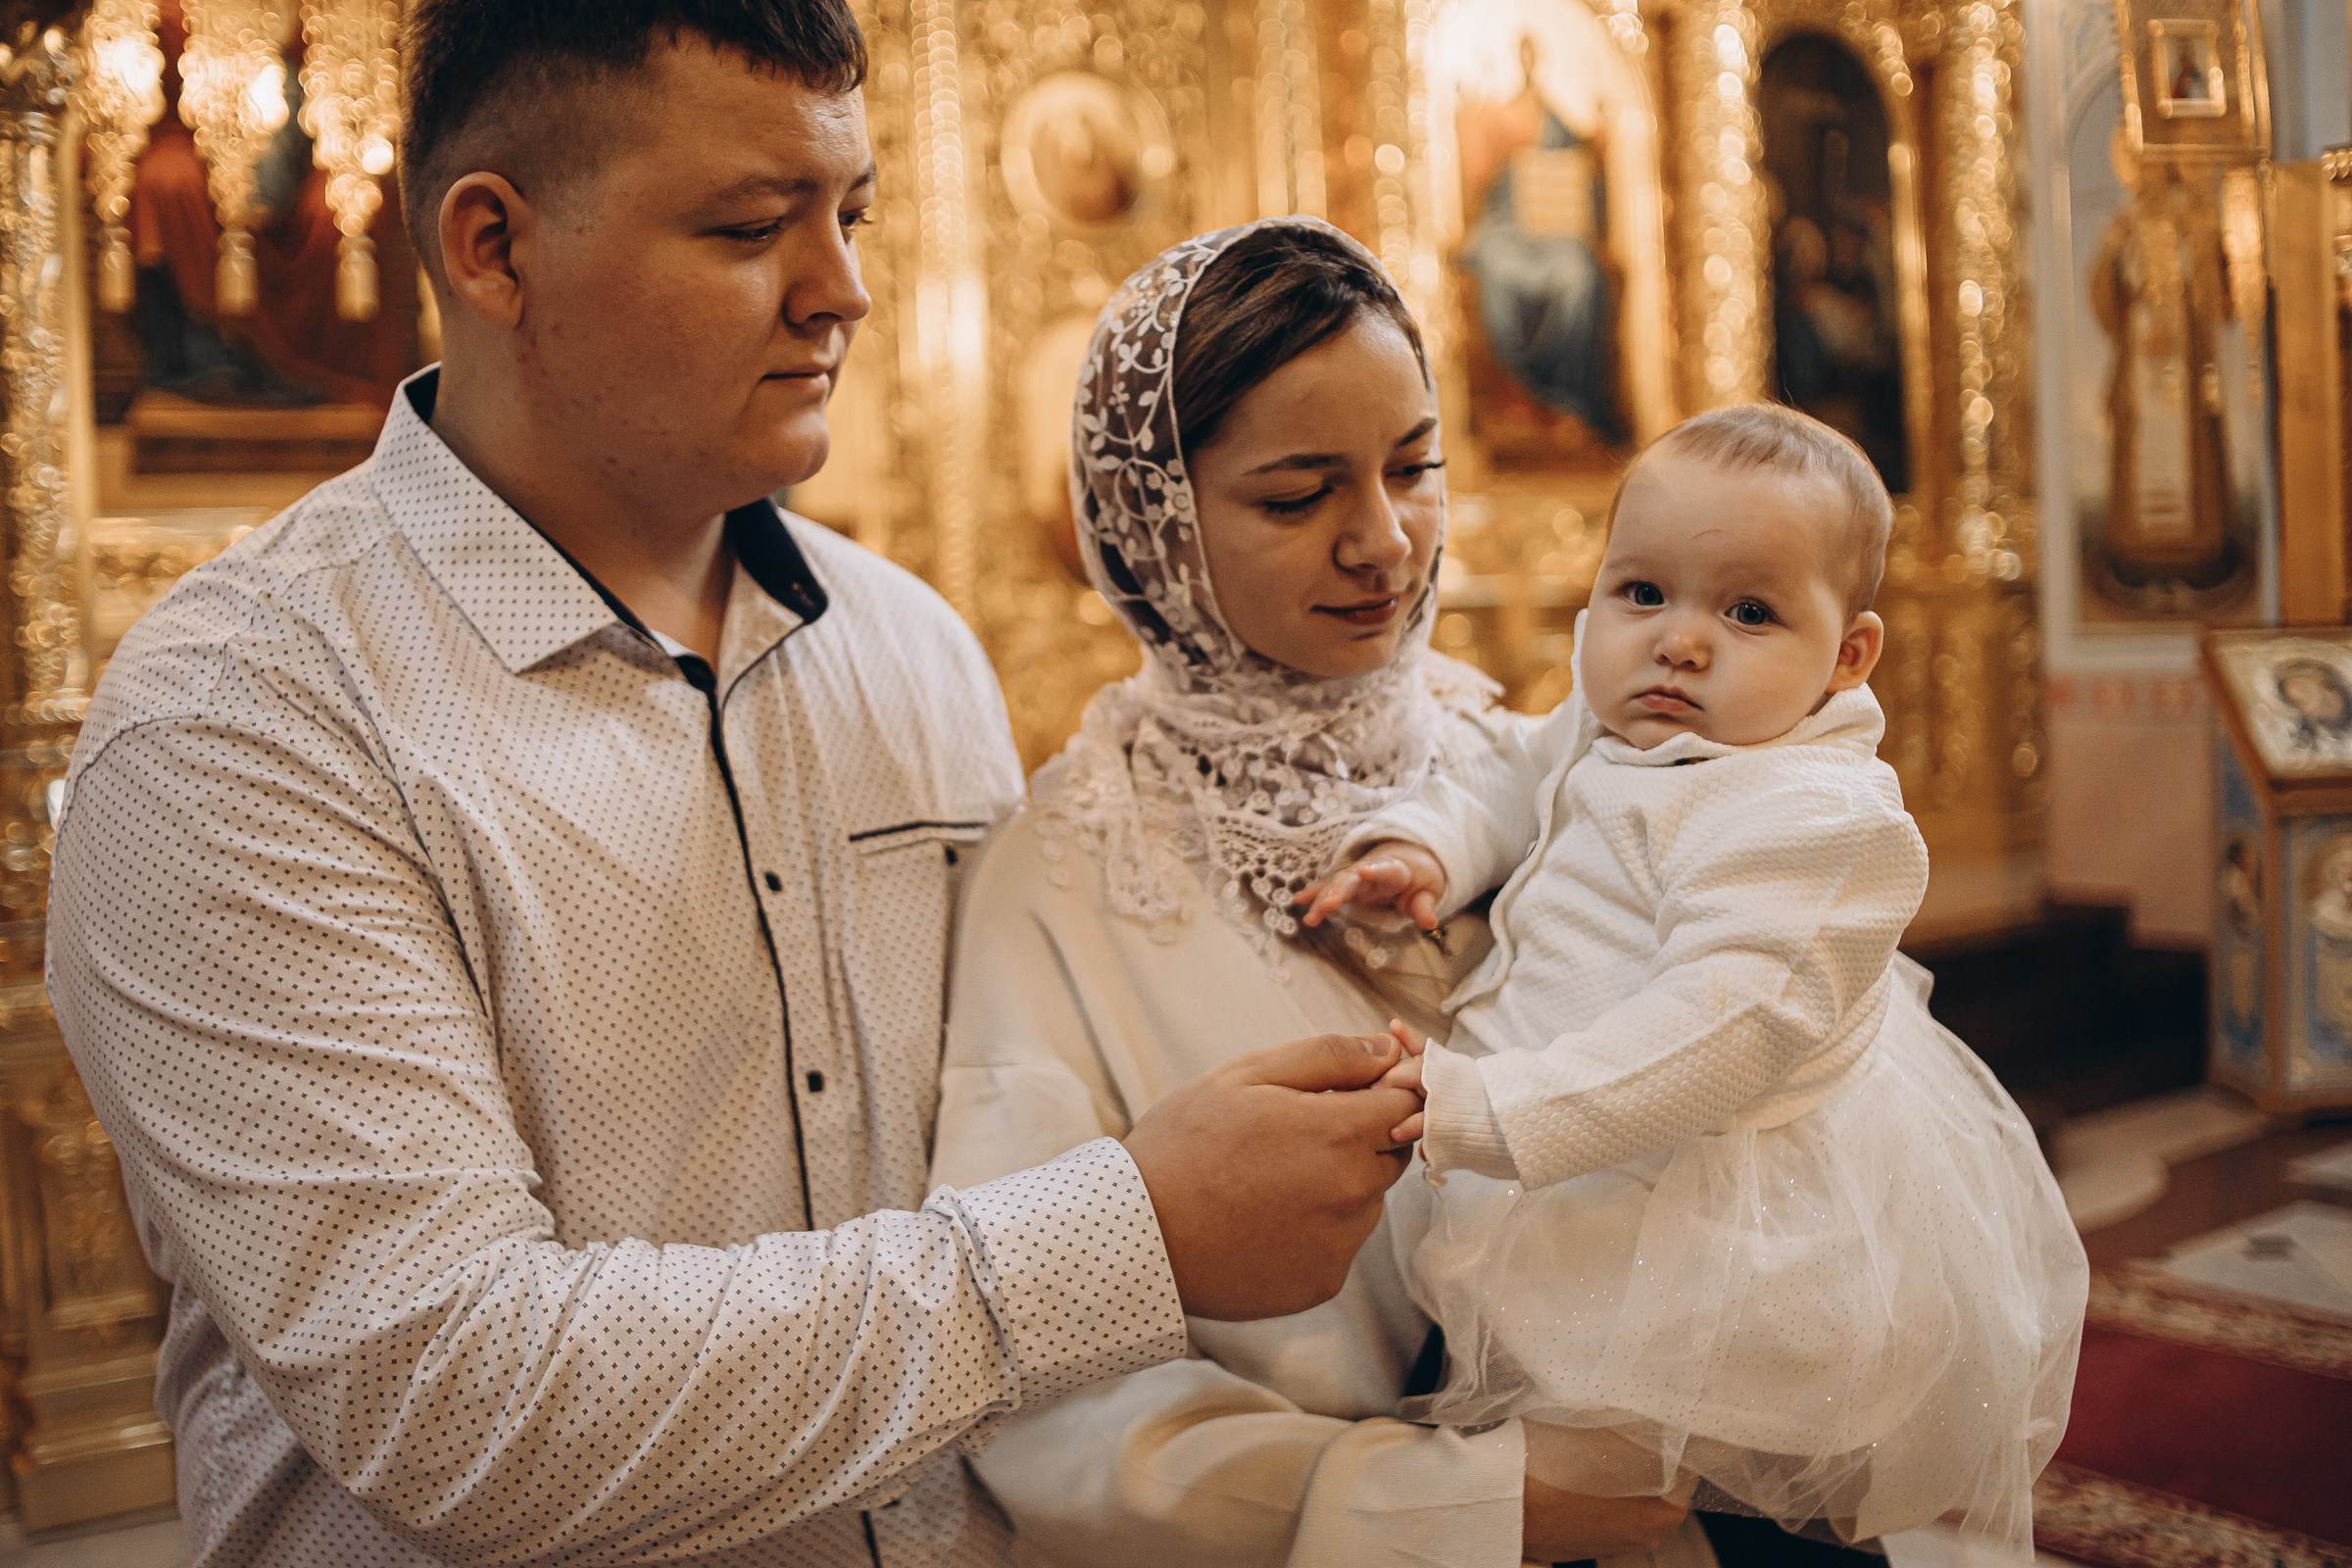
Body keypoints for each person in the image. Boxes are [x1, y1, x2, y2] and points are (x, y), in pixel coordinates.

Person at [48, 7, 1427, 1564]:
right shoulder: (249, 725)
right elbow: (455, 1398)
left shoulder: (912, 653)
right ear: (497, 249)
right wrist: (1134, 1235)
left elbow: (1010, 1126)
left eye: (852, 213)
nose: (844, 290)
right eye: (751, 227)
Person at [929, 219, 1693, 1567]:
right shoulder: (1057, 871)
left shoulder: (1504, 757)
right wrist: (1457, 1509)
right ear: (1150, 524)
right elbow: (1044, 1386)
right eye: (1298, 497)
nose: (1385, 545)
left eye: (1416, 469)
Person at [1306, 403, 2089, 1555]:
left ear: (1847, 654)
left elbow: (1719, 1031)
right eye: (1642, 594)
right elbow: (1513, 779)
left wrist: (1488, 1106)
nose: (1679, 640)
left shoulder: (1811, 817)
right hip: (1576, 1175)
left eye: (1749, 611)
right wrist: (1427, 848)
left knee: (1736, 1506)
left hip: (1714, 1232)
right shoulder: (1618, 713)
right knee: (1570, 1482)